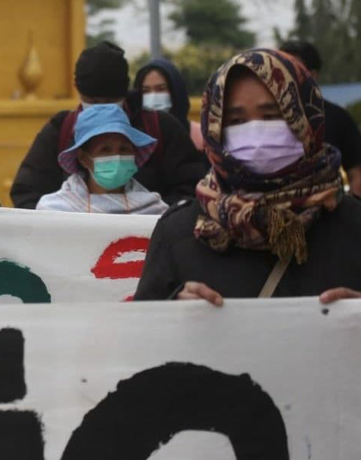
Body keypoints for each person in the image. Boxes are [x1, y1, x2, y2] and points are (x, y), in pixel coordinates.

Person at [134, 49, 361, 304]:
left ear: (307, 120)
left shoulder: (353, 225)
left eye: (273, 115)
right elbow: (144, 335)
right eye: (236, 120)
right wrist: (171, 311)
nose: (257, 132)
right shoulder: (179, 232)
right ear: (215, 130)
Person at [10, 41, 208, 209]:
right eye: (94, 102)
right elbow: (26, 192)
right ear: (81, 157)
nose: (102, 110)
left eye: (124, 149)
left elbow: (193, 188)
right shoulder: (60, 129)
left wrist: (153, 223)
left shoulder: (161, 128)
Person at [37, 104, 167, 215]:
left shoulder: (154, 210)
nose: (117, 157)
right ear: (83, 158)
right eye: (105, 150)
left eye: (124, 149)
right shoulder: (54, 211)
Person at [280, 40, 361, 197]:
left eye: (291, 69)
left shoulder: (338, 118)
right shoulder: (262, 119)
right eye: (278, 69)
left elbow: (357, 174)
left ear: (312, 75)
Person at [134, 58, 204, 151]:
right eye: (145, 91)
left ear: (176, 91)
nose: (153, 96)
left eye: (161, 89)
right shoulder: (132, 139)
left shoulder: (200, 136)